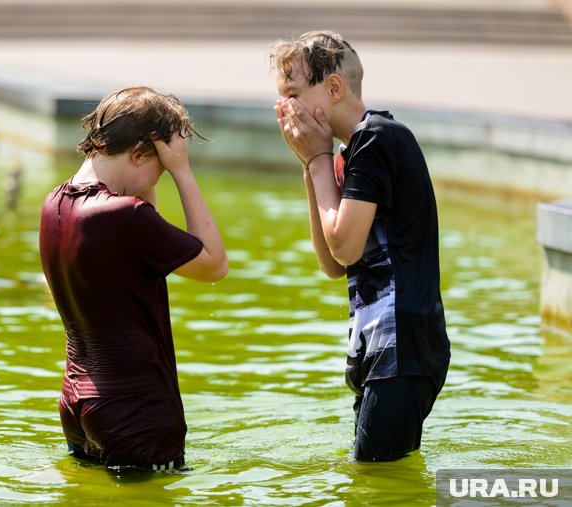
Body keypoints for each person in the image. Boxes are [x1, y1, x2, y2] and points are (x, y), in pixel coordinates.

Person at [270, 31, 450, 461]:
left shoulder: (376, 139)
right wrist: (312, 166)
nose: (284, 109)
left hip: (402, 351)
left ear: (334, 88)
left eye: (293, 94)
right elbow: (333, 264)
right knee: (380, 478)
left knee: (373, 482)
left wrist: (317, 161)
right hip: (385, 354)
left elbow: (345, 247)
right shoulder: (353, 151)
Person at [39, 86, 227, 471]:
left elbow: (144, 225)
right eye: (160, 163)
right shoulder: (125, 216)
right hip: (135, 410)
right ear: (140, 152)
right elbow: (214, 265)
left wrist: (153, 171)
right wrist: (183, 172)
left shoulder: (54, 204)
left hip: (76, 403)